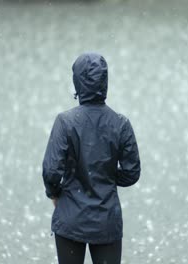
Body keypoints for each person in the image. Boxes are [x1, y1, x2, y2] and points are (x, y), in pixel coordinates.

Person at [42, 52, 141, 264]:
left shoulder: (65, 122)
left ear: (77, 82)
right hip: (106, 221)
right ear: (105, 82)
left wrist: (56, 194)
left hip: (70, 219)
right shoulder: (120, 123)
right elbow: (132, 173)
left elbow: (51, 172)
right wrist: (105, 176)